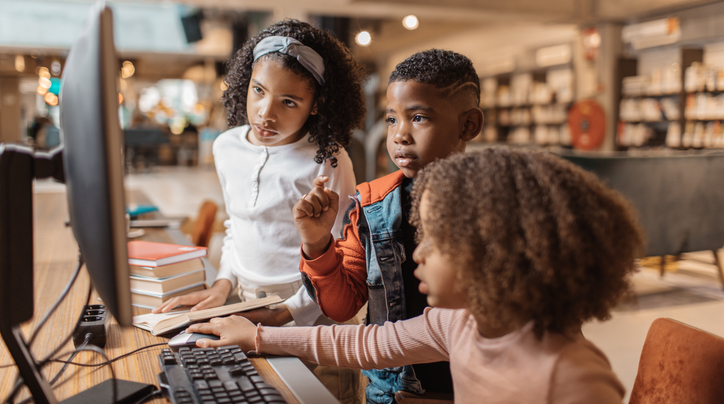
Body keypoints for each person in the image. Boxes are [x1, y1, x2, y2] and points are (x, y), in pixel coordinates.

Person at [187, 148, 646, 403]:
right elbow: (363, 343)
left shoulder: (574, 379)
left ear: (496, 252)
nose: (417, 254)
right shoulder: (458, 322)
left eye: (435, 239)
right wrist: (258, 337)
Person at [154, 19, 366, 402]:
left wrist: (288, 313)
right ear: (244, 84)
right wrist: (223, 285)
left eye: (289, 101)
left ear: (316, 104)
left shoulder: (328, 160)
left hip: (310, 311)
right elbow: (238, 226)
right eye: (258, 91)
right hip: (246, 301)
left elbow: (341, 254)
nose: (266, 113)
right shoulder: (226, 147)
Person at [292, 49, 484, 403]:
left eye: (420, 118)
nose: (400, 135)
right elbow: (341, 307)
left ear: (468, 125)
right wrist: (318, 244)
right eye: (392, 120)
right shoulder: (373, 203)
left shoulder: (499, 208)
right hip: (390, 394)